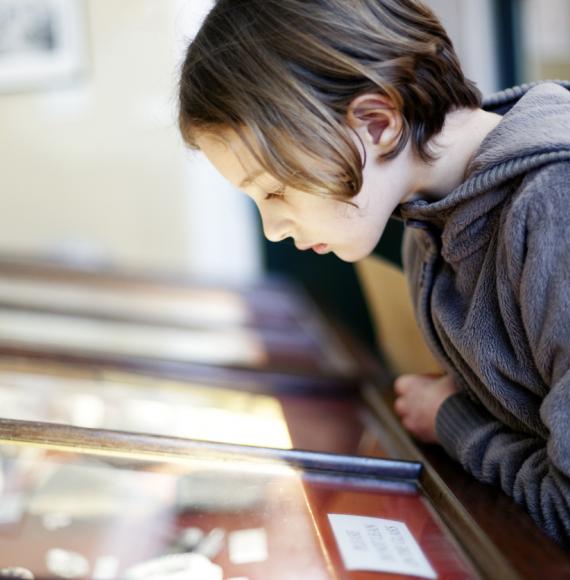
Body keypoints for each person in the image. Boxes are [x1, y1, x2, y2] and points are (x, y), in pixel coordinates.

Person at [177, 0, 570, 545]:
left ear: (376, 122)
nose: (272, 228)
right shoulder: (425, 229)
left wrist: (453, 423)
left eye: (276, 190)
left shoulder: (555, 206)